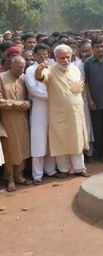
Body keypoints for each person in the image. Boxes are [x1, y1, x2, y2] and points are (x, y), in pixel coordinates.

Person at [35, 44, 90, 178]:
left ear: (71, 57)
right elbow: (39, 77)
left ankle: (79, 168)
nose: (65, 60)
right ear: (55, 58)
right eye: (61, 58)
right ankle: (64, 170)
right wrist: (39, 68)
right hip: (58, 114)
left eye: (67, 57)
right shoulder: (50, 70)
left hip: (75, 113)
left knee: (77, 141)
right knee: (61, 141)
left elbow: (79, 86)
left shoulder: (76, 69)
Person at [25, 43, 57, 184]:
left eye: (46, 54)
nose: (44, 56)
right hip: (39, 108)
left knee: (51, 140)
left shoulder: (52, 68)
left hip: (53, 108)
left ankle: (50, 170)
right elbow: (33, 90)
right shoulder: (30, 70)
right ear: (34, 55)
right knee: (38, 141)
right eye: (41, 54)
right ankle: (37, 175)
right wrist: (54, 96)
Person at [0, 56, 32, 192]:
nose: (22, 70)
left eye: (23, 67)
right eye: (19, 67)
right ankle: (10, 179)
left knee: (23, 148)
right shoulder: (1, 78)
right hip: (7, 120)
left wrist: (28, 103)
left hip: (23, 119)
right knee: (10, 150)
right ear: (11, 66)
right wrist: (19, 104)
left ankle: (19, 176)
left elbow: (30, 96)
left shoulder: (24, 78)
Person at [84, 36, 103, 163]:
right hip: (95, 102)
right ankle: (100, 153)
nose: (100, 49)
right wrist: (90, 100)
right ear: (93, 48)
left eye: (102, 46)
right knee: (98, 129)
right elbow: (86, 83)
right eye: (97, 47)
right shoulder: (88, 63)